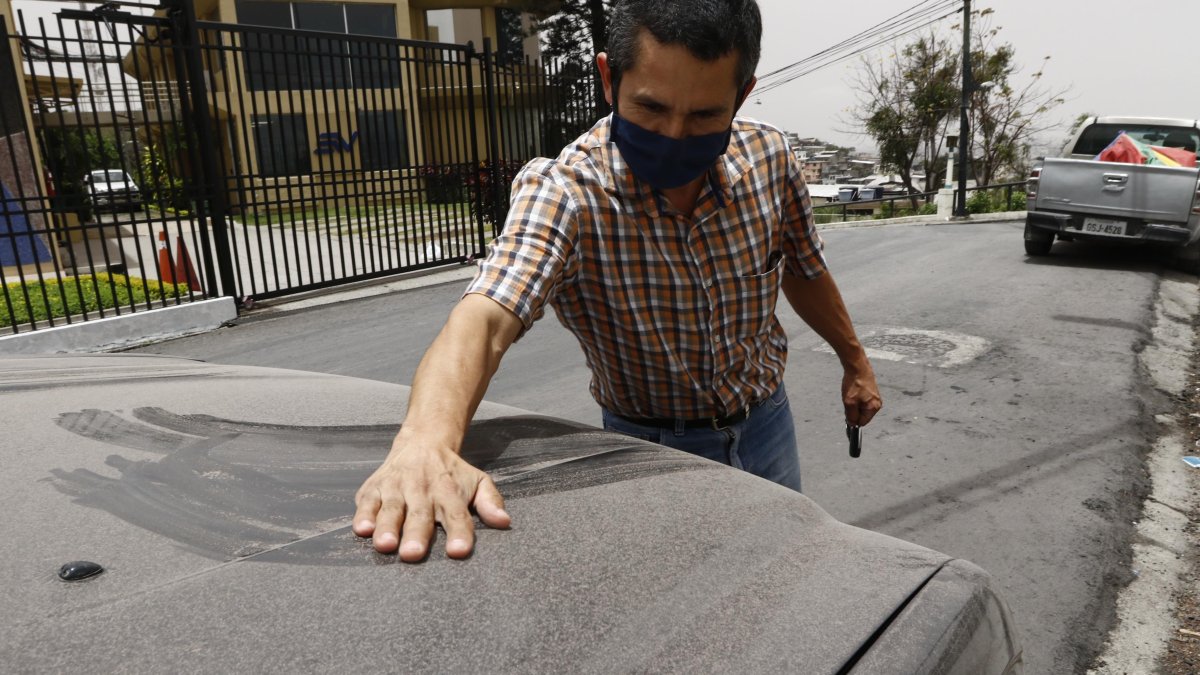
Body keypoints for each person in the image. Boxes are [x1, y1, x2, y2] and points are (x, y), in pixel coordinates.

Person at [352, 0, 882, 562]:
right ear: (609, 78)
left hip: (767, 425)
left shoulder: (770, 159)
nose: (675, 136)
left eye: (704, 116)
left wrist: (856, 362)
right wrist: (426, 443)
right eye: (650, 108)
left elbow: (803, 268)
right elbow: (485, 317)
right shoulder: (565, 193)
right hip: (648, 450)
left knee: (783, 575)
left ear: (742, 96)